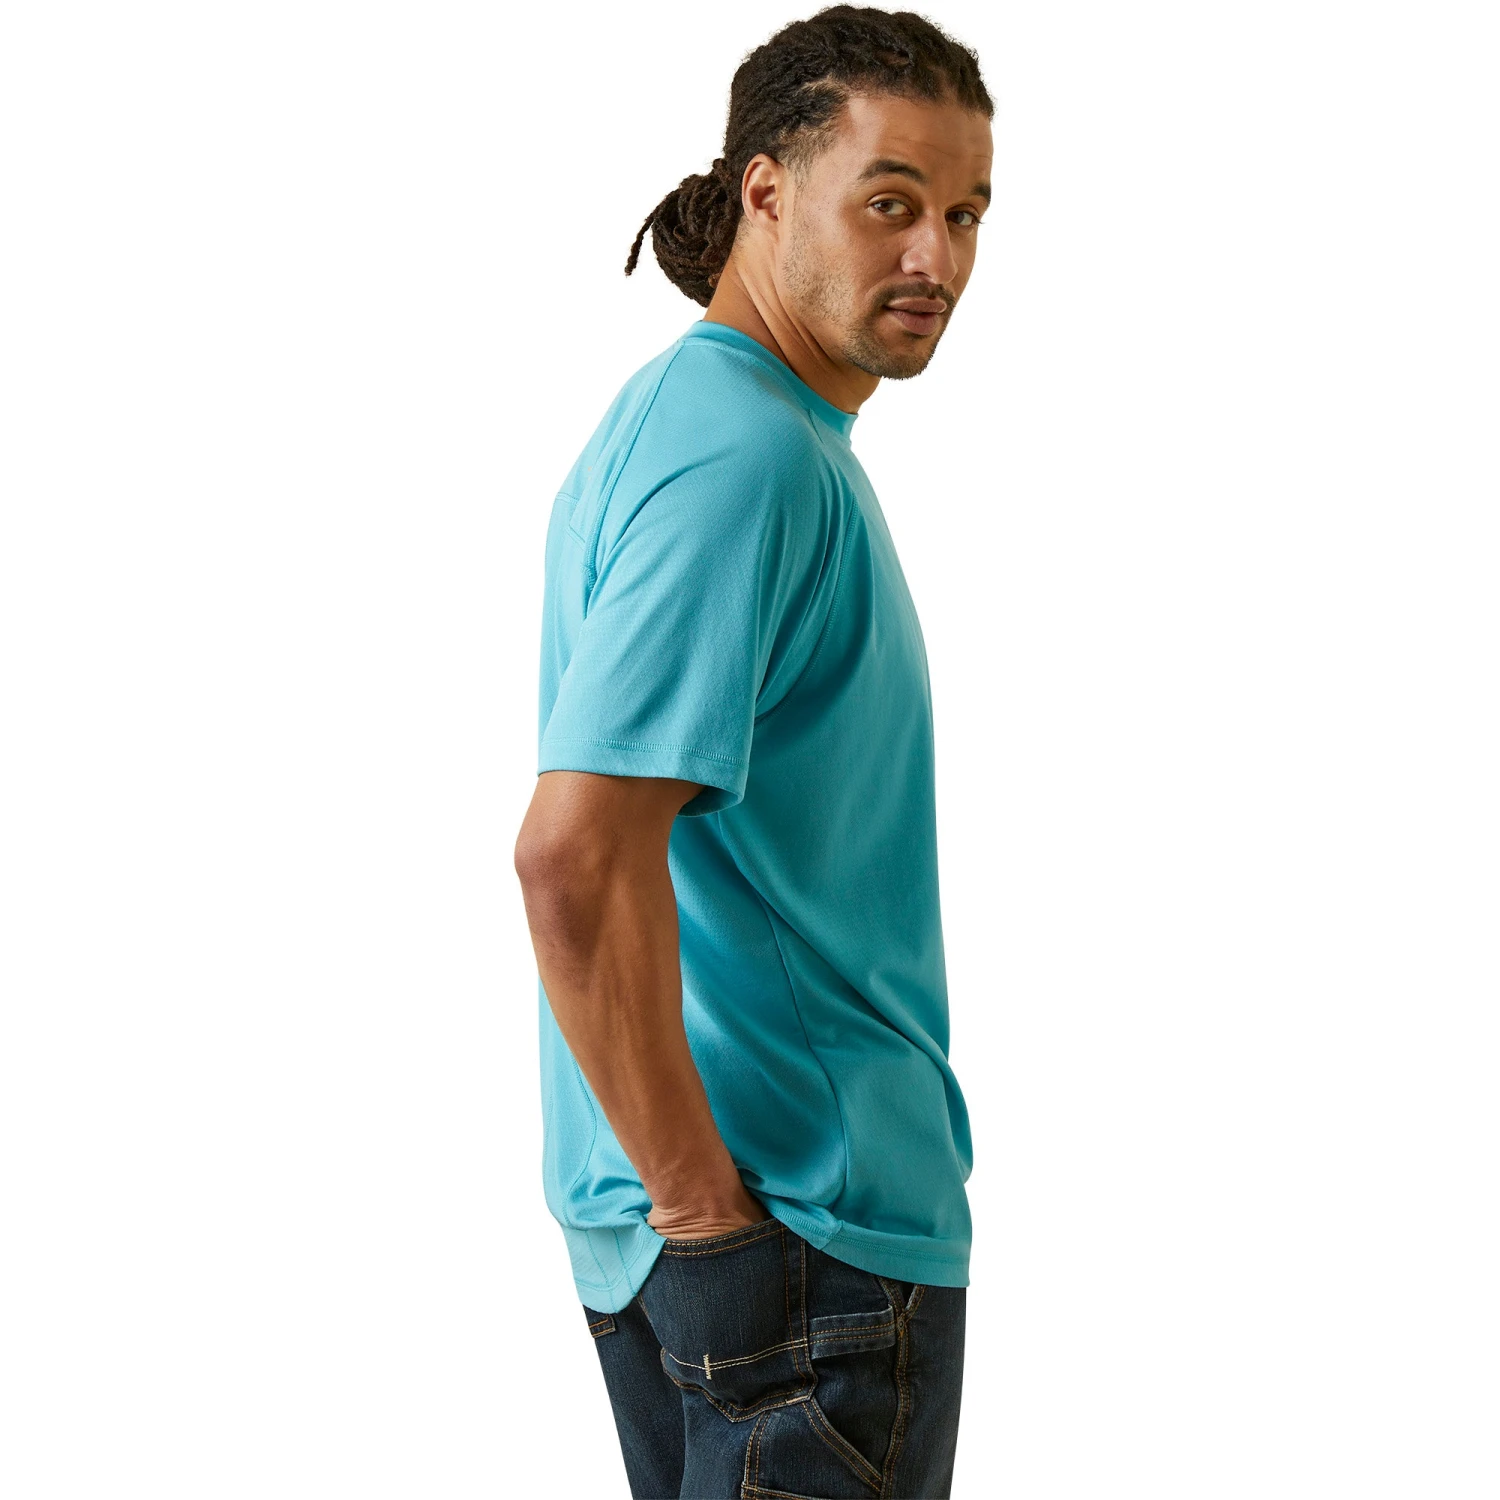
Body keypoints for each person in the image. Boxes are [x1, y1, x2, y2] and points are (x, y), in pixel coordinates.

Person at [515, 8, 993, 1496]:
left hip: (739, 1243)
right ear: (767, 192)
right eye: (891, 201)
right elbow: (574, 856)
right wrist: (707, 1216)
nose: (936, 257)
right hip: (798, 1249)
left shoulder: (704, 425)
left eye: (966, 213)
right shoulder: (747, 457)